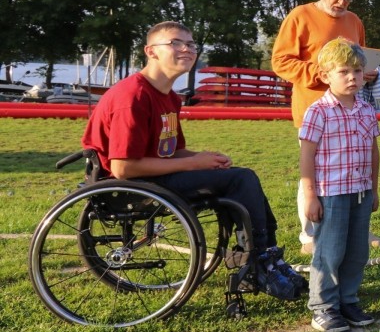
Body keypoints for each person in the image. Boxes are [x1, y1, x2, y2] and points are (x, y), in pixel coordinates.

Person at [82, 21, 306, 301]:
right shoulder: (133, 96)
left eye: (191, 44)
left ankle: (267, 256)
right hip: (129, 187)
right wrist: (192, 163)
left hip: (153, 177)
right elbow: (123, 167)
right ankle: (259, 260)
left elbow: (169, 151)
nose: (186, 49)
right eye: (176, 43)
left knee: (240, 176)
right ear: (151, 51)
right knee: (241, 179)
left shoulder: (169, 97)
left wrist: (204, 158)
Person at [271, 0, 380, 254]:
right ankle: (309, 234)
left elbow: (357, 57)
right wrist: (320, 74)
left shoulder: (354, 21)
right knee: (316, 169)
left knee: (354, 164)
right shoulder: (300, 16)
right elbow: (280, 61)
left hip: (353, 108)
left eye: (348, 0)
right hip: (313, 107)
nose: (342, 4)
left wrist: (364, 71)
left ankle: (358, 227)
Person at [299, 39, 380, 332]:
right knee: (330, 251)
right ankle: (323, 306)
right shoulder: (318, 112)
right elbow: (306, 155)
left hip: (360, 191)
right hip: (331, 194)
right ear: (325, 76)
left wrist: (373, 188)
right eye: (344, 71)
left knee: (357, 250)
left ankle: (348, 300)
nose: (352, 77)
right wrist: (310, 196)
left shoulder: (367, 110)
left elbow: (373, 151)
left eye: (358, 71)